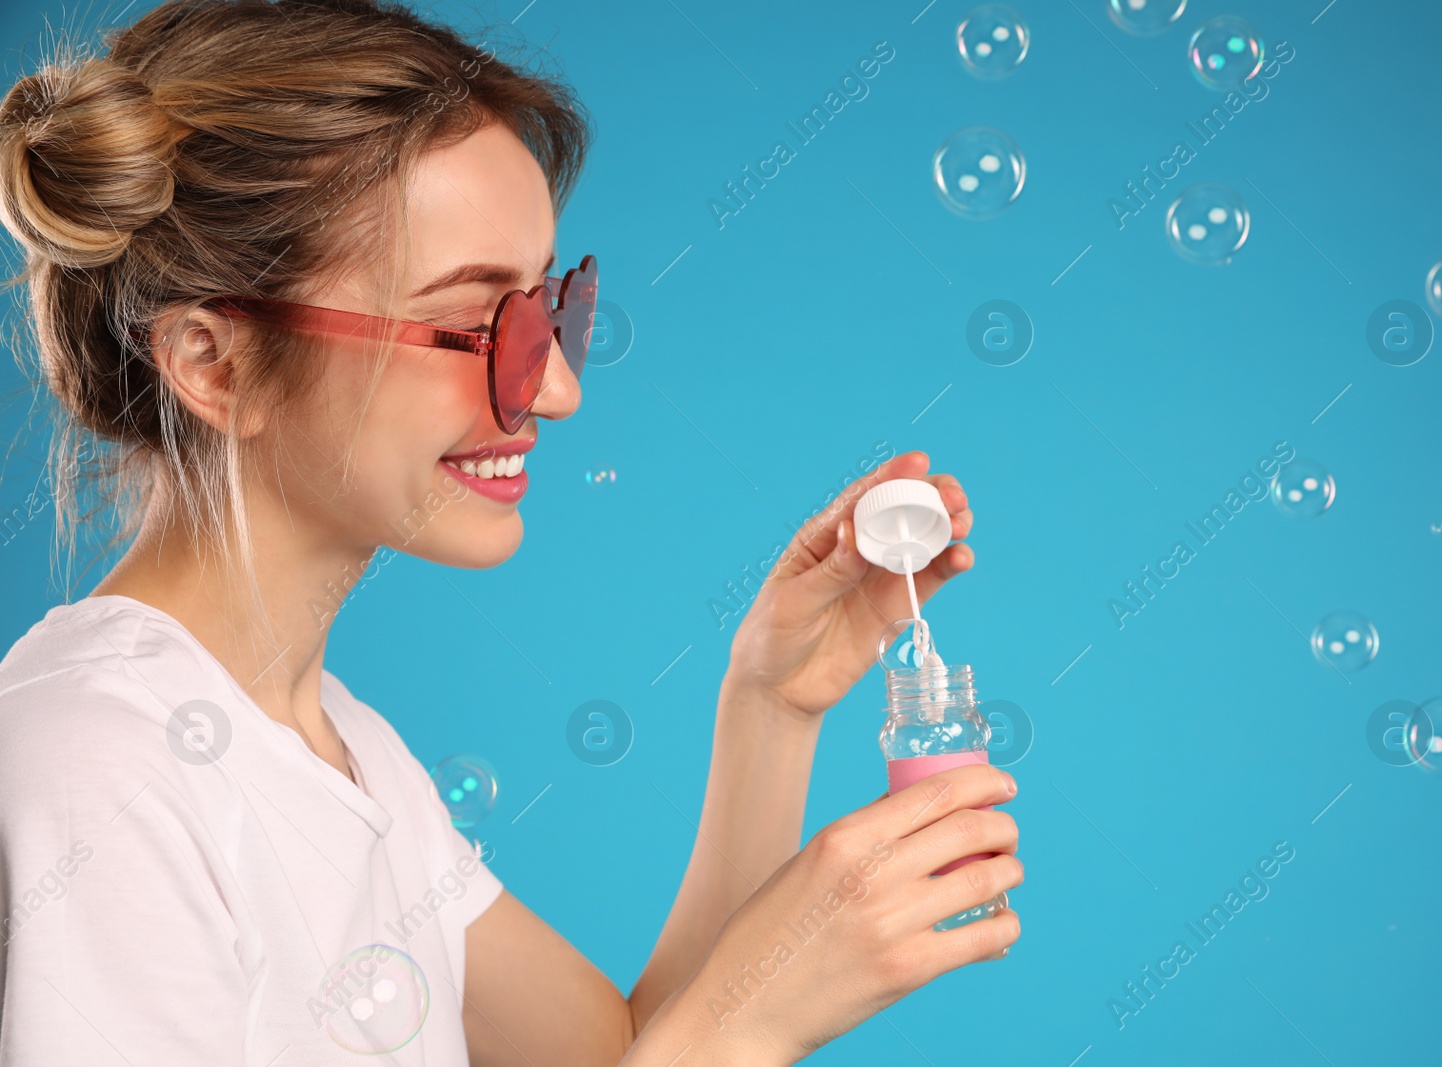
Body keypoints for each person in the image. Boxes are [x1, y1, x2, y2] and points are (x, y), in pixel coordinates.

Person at [0, 0, 1022, 1062]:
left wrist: (772, 702)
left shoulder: (344, 753)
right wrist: (748, 1023)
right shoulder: (100, 762)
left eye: (549, 313)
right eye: (480, 324)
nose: (561, 389)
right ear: (215, 362)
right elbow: (692, 1045)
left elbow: (617, 1047)